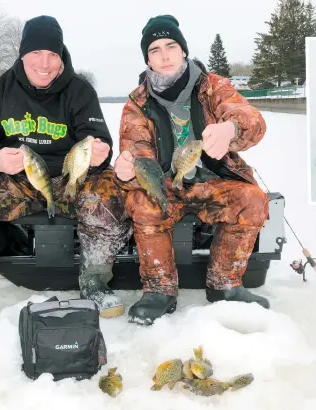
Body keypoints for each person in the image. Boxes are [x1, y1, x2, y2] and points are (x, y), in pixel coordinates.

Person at [0, 15, 131, 338]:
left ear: (62, 56)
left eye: (53, 55)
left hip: (65, 181)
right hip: (13, 182)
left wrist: (100, 155)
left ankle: (95, 284)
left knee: (110, 188)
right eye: (36, 54)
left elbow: (98, 140)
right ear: (22, 53)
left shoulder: (80, 91)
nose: (44, 64)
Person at [114, 15, 271, 326]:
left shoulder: (213, 86)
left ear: (183, 50)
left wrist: (231, 128)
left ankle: (225, 284)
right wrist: (127, 167)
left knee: (253, 200)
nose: (165, 55)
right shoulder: (137, 103)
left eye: (171, 46)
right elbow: (137, 150)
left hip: (215, 180)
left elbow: (249, 117)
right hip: (167, 184)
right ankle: (160, 290)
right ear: (148, 58)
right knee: (142, 203)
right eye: (155, 50)